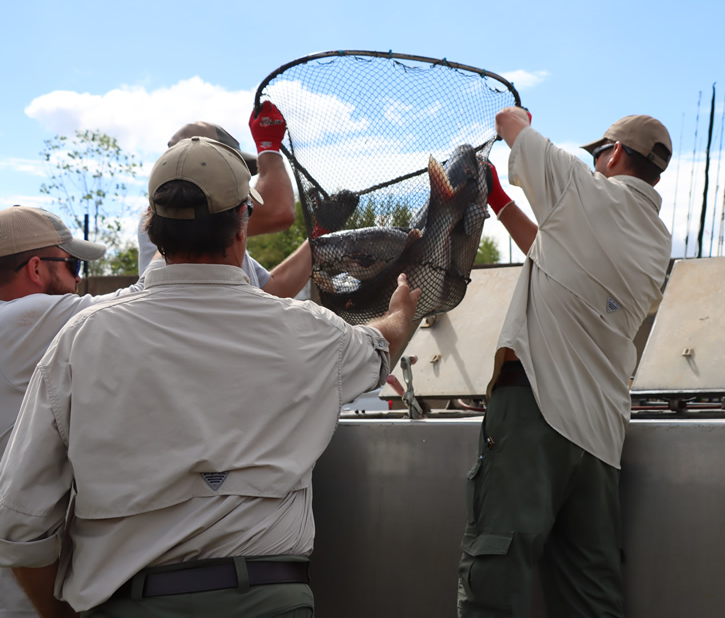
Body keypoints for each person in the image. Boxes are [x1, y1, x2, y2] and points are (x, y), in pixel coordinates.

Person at [0, 136, 420, 617]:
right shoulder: (310, 331)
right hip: (271, 601)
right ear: (242, 228)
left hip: (128, 602)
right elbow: (382, 345)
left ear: (154, 236)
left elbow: (20, 522)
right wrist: (403, 308)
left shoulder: (82, 338)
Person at [457, 108, 673, 617]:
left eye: (599, 153)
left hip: (535, 412)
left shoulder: (584, 189)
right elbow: (553, 252)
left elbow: (509, 122)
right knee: (589, 592)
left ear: (614, 153)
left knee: (495, 578)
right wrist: (500, 199)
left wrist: (520, 120)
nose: (594, 162)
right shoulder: (654, 240)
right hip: (599, 440)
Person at [0, 206, 162, 618]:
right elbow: (147, 297)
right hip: (23, 590)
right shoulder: (23, 319)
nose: (77, 278)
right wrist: (181, 213)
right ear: (36, 268)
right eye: (71, 263)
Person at [137, 101, 313, 298]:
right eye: (229, 167)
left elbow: (273, 290)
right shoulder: (183, 214)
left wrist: (317, 236)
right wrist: (268, 147)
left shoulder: (222, 242)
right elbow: (278, 212)